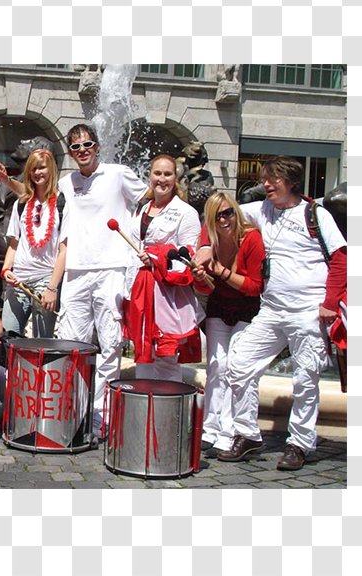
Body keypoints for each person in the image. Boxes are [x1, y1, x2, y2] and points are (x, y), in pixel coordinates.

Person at [208, 156, 346, 470]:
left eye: (273, 180)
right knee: (239, 363)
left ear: (291, 182)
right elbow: (221, 214)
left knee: (306, 378)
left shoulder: (315, 215)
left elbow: (340, 258)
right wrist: (206, 245)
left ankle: (299, 443)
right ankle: (247, 434)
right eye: (265, 179)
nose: (266, 185)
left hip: (308, 312)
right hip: (271, 310)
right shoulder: (261, 210)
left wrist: (330, 302)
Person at [55, 123, 149, 429]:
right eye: (75, 147)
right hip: (76, 271)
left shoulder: (118, 173)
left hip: (111, 268)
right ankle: (74, 411)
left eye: (87, 145)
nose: (82, 151)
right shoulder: (66, 182)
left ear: (97, 147)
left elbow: (148, 199)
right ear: (70, 153)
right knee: (73, 344)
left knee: (109, 346)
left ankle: (102, 417)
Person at [191, 192, 265, 458]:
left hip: (246, 307)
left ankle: (231, 431)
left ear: (236, 211)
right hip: (219, 305)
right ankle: (210, 429)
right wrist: (200, 275)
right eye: (217, 215)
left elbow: (255, 287)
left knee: (236, 366)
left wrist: (220, 271)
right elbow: (203, 288)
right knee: (215, 366)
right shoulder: (209, 240)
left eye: (228, 212)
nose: (224, 219)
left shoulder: (251, 237)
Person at [126, 154, 203, 382]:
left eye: (167, 174)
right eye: (157, 173)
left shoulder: (186, 213)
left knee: (166, 356)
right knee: (142, 352)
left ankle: (166, 414)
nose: (162, 179)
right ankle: (143, 410)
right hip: (140, 288)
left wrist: (157, 258)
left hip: (167, 293)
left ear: (176, 178)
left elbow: (188, 255)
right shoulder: (143, 208)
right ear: (149, 176)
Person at [0, 148, 66, 338]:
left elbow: (64, 249)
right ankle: (13, 369)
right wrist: (6, 270)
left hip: (46, 278)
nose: (37, 173)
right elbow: (14, 243)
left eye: (42, 168)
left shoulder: (62, 202)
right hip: (18, 279)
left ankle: (38, 370)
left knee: (42, 340)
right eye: (33, 169)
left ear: (51, 169)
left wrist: (52, 288)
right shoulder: (22, 203)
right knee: (9, 336)